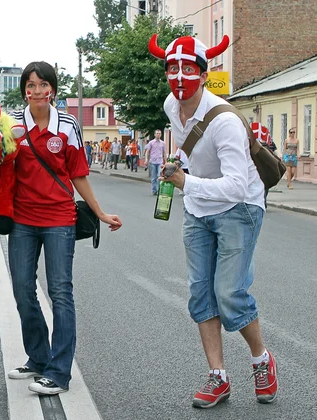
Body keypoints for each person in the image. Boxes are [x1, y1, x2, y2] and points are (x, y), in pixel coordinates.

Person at [150, 33, 278, 408]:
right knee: (201, 293)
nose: (178, 77)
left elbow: (238, 186)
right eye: (172, 68)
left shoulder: (225, 122)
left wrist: (186, 181)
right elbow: (188, 143)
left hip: (240, 207)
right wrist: (180, 163)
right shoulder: (172, 106)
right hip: (198, 207)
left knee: (230, 294)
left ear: (204, 75)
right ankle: (218, 376)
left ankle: (261, 359)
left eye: (188, 69)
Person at [8, 61, 123, 396]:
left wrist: (100, 213)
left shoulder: (68, 124)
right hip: (22, 220)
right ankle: (38, 357)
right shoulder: (13, 124)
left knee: (60, 292)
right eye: (30, 85)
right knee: (22, 290)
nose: (37, 91)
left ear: (53, 90)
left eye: (43, 84)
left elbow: (78, 173)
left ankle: (58, 373)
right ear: (25, 91)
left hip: (59, 218)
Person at [145, 129, 167, 195]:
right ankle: (154, 190)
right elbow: (147, 152)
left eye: (159, 133)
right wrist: (146, 160)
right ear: (154, 134)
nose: (158, 134)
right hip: (153, 162)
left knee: (159, 176)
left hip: (160, 161)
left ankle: (159, 190)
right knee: (153, 177)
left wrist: (166, 162)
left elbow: (164, 153)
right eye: (157, 133)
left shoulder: (163, 143)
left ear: (161, 135)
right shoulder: (151, 142)